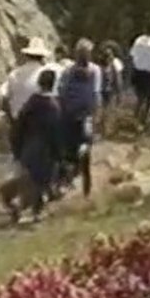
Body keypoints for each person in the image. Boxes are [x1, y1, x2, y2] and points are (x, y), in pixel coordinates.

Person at [1, 69, 61, 224]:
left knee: (26, 181)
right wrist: (58, 154)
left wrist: (16, 147)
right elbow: (56, 134)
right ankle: (33, 212)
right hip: (46, 152)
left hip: (28, 148)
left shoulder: (31, 103)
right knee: (39, 184)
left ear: (39, 82)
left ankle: (18, 206)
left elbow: (18, 127)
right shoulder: (54, 107)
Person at [57, 38, 102, 197]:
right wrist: (97, 115)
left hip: (69, 115)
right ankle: (86, 191)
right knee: (85, 151)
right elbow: (96, 95)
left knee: (69, 152)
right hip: (85, 116)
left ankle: (66, 183)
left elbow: (61, 93)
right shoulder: (95, 71)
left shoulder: (68, 71)